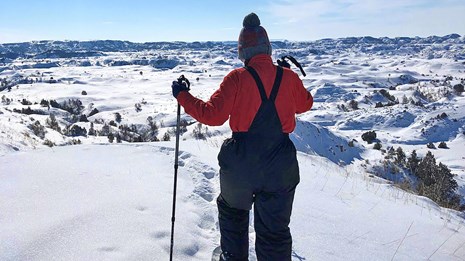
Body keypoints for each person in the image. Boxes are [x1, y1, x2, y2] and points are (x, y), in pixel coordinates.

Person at [172, 12, 313, 261]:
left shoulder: (237, 79)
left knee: (233, 214)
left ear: (243, 52)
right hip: (281, 165)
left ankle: (231, 256)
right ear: (268, 49)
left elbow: (212, 116)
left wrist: (183, 96)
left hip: (240, 165)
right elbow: (305, 104)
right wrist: (287, 76)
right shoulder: (288, 77)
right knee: (274, 230)